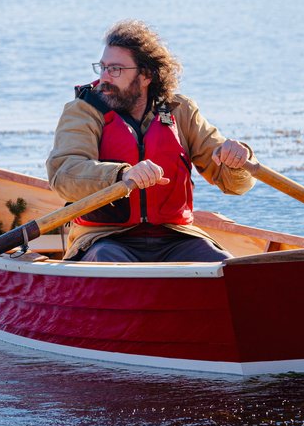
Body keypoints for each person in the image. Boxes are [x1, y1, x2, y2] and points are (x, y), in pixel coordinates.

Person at [46, 19, 255, 262]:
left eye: (115, 69)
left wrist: (237, 160)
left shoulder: (180, 110)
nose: (105, 77)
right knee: (110, 262)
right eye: (102, 67)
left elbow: (236, 185)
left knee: (223, 265)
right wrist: (121, 175)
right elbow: (63, 174)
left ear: (146, 75)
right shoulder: (83, 112)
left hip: (176, 236)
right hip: (104, 238)